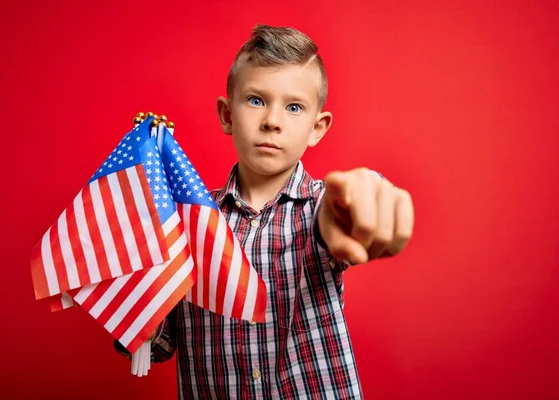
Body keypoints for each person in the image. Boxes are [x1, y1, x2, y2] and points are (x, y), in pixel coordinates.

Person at [116, 24, 414, 399]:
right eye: (256, 100)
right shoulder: (188, 224)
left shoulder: (320, 207)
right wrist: (132, 279)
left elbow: (332, 220)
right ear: (227, 115)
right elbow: (159, 345)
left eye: (293, 107)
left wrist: (356, 205)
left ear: (317, 128)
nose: (272, 120)